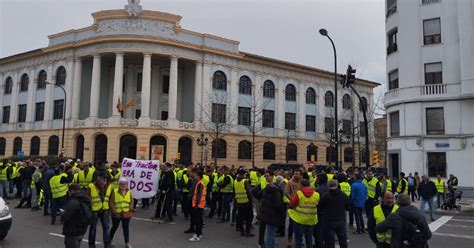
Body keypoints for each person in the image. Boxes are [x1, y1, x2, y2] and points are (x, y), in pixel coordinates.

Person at [288, 179, 319, 248]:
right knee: (309, 239)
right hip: (311, 220)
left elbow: (292, 204)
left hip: (299, 220)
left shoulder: (299, 193)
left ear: (301, 185)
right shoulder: (316, 194)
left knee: (298, 239)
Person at [257, 171, 285, 248]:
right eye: (265, 176)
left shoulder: (267, 187)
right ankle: (270, 245)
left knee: (270, 232)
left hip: (266, 212)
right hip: (273, 213)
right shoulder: (276, 189)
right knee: (270, 232)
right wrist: (281, 212)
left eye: (267, 176)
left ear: (272, 177)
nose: (266, 177)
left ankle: (272, 245)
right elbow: (278, 204)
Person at [319, 180, 349, 248]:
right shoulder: (343, 195)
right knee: (343, 241)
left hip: (329, 220)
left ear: (328, 186)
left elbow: (320, 208)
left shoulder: (325, 195)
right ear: (337, 185)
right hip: (341, 220)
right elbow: (347, 207)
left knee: (329, 241)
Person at [87, 172, 112, 248]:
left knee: (106, 228)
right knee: (93, 228)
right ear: (98, 178)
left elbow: (110, 197)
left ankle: (107, 245)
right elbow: (88, 198)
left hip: (105, 209)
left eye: (106, 178)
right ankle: (91, 245)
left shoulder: (109, 186)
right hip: (94, 210)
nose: (104, 180)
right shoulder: (91, 186)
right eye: (103, 178)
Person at [63, 183, 92, 248]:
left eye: (69, 191)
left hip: (72, 231)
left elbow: (66, 217)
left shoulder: (73, 202)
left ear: (72, 191)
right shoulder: (86, 198)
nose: (68, 193)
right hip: (82, 229)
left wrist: (63, 214)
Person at [109, 178, 133, 248]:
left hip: (126, 213)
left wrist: (130, 207)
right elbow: (111, 202)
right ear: (118, 185)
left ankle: (127, 242)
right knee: (114, 227)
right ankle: (110, 239)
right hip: (116, 214)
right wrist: (114, 211)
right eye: (121, 184)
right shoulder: (115, 191)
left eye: (124, 184)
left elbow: (131, 200)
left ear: (126, 184)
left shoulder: (129, 191)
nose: (123, 186)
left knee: (126, 228)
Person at [283, 169, 302, 247]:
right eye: (295, 173)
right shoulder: (290, 182)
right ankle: (289, 240)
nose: (296, 175)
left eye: (297, 174)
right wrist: (292, 199)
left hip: (301, 206)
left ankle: (299, 240)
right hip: (292, 205)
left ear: (300, 175)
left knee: (300, 224)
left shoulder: (302, 182)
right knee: (292, 224)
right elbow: (285, 192)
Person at [233, 168, 254, 237]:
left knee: (240, 216)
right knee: (248, 217)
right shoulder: (245, 181)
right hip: (246, 201)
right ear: (244, 174)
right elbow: (248, 192)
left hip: (239, 201)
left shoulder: (235, 181)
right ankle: (247, 231)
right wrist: (251, 201)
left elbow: (234, 191)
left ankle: (242, 231)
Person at [187, 168, 206, 242]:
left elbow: (198, 195)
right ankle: (199, 233)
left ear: (199, 176)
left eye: (195, 175)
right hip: (199, 205)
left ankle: (197, 235)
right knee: (198, 220)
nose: (194, 176)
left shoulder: (199, 184)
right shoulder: (199, 183)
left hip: (198, 205)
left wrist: (196, 205)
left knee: (197, 221)